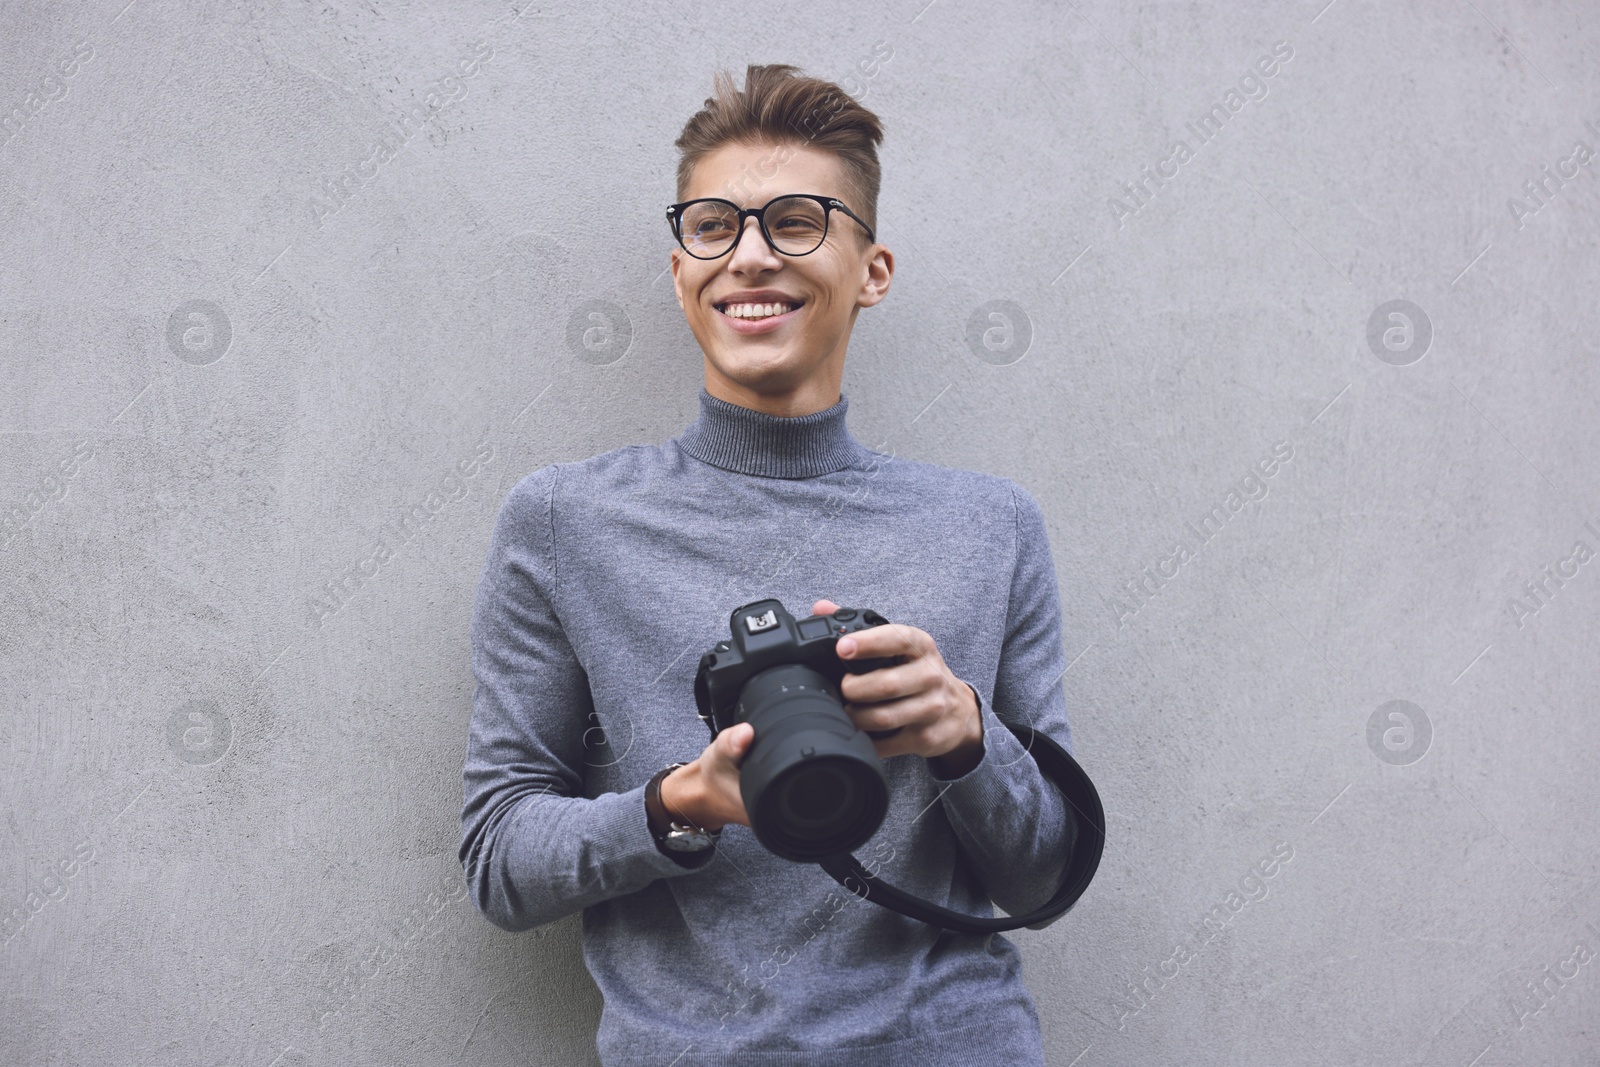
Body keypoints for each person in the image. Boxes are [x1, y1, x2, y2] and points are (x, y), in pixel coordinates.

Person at [460, 62, 1078, 1067]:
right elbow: (497, 859)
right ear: (679, 272)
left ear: (871, 269)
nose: (748, 257)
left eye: (795, 221)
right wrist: (674, 806)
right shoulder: (565, 522)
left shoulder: (989, 524)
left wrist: (966, 735)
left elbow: (1043, 873)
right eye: (713, 226)